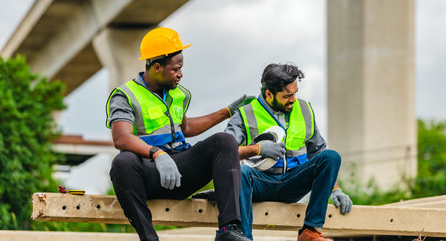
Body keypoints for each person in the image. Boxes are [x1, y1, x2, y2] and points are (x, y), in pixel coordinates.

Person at [106, 27, 253, 241]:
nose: (181, 74)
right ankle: (149, 237)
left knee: (224, 140)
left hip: (181, 171)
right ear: (157, 67)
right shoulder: (125, 95)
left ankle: (228, 230)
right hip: (150, 175)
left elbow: (186, 128)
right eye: (176, 69)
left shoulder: (178, 94)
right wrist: (157, 154)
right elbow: (121, 138)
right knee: (122, 163)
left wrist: (226, 112)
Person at [225, 63, 353, 241]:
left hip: (293, 183)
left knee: (331, 157)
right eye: (287, 95)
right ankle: (244, 238)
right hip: (260, 183)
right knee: (242, 172)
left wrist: (336, 189)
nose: (293, 99)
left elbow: (319, 151)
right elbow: (224, 152)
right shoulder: (245, 114)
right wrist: (258, 149)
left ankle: (310, 231)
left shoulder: (304, 109)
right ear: (268, 94)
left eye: (295, 93)